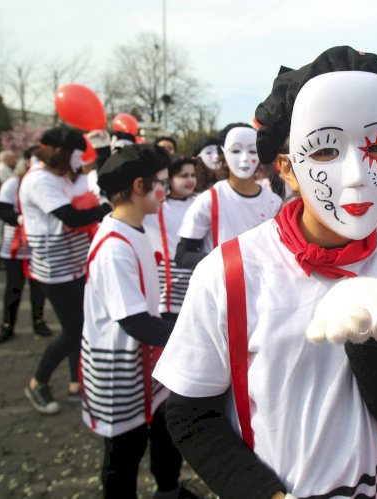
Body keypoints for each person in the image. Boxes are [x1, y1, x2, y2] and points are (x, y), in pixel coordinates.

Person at [154, 46, 377, 498]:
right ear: (287, 168)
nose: (356, 175)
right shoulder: (230, 272)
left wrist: (368, 334)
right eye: (326, 149)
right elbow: (190, 414)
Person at [81, 144, 195, 499]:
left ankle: (168, 490)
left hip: (146, 360)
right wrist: (193, 334)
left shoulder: (136, 229)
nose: (167, 191)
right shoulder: (114, 246)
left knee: (162, 431)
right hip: (119, 365)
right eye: (161, 183)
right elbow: (136, 323)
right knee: (123, 453)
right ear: (139, 186)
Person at [20, 127, 113, 414]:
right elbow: (70, 217)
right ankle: (38, 382)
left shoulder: (65, 177)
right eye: (77, 154)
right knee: (72, 331)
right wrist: (105, 209)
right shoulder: (39, 180)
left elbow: (98, 182)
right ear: (62, 153)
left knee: (81, 325)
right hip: (55, 268)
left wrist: (102, 153)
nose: (79, 161)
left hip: (76, 262)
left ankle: (77, 383)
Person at [175, 123, 281, 269]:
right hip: (222, 288)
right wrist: (225, 261)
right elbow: (183, 255)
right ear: (223, 153)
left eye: (252, 151)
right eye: (236, 150)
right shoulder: (209, 200)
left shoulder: (274, 203)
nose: (244, 158)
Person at [0, 157, 51, 343]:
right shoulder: (13, 183)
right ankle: (7, 325)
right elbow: (2, 209)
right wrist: (18, 218)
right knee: (14, 287)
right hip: (15, 245)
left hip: (37, 244)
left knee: (38, 287)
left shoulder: (46, 183)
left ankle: (39, 321)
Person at [144, 155, 197, 323]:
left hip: (195, 282)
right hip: (168, 290)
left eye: (193, 175)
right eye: (183, 175)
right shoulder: (158, 206)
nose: (190, 180)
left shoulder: (201, 202)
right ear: (169, 180)